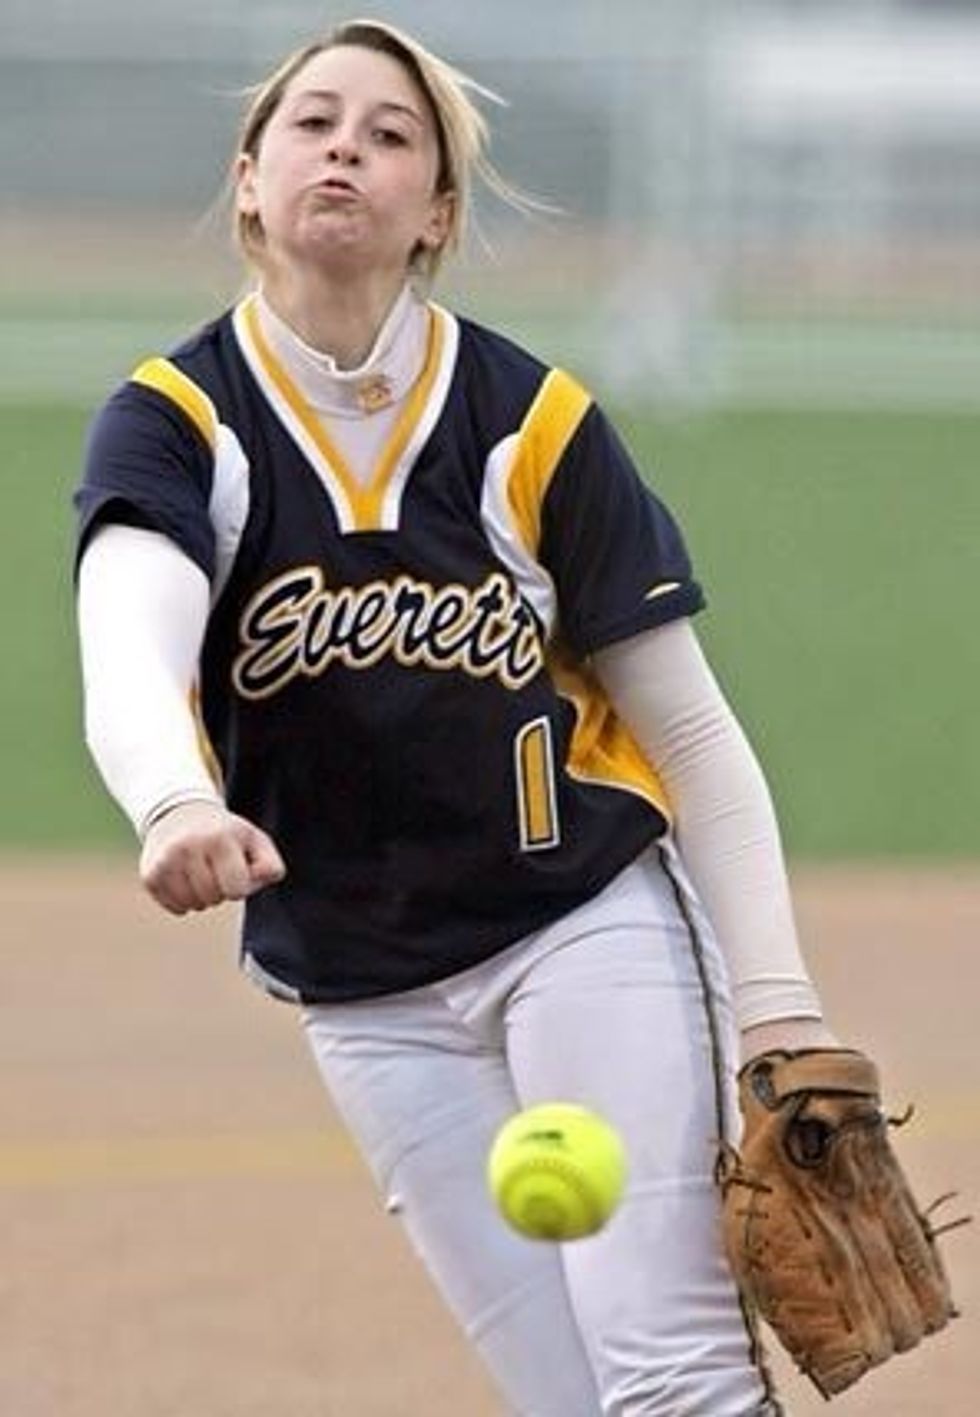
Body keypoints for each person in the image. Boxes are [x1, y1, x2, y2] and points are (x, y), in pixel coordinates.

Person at [74, 19, 840, 1414]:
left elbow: (696, 738)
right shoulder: (180, 421)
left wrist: (776, 1003)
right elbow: (129, 638)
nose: (346, 148)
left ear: (435, 213)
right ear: (249, 180)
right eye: (313, 123)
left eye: (389, 132)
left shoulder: (527, 421)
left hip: (582, 922)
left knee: (671, 1378)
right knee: (563, 1397)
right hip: (366, 986)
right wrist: (173, 798)